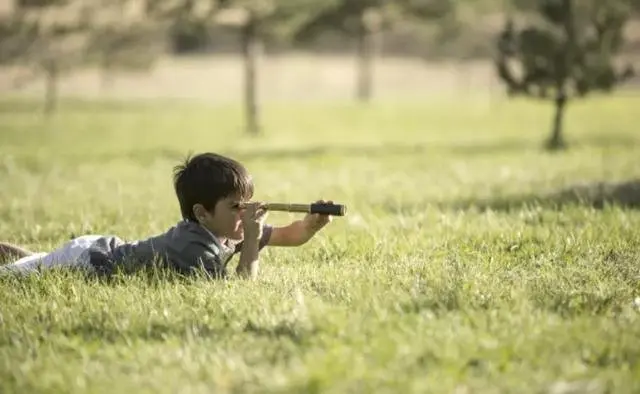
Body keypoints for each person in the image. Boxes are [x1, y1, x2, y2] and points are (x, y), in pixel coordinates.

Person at [0, 152, 333, 280]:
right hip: (91, 263)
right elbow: (242, 286)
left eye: (246, 204)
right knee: (16, 277)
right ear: (202, 214)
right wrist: (249, 244)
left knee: (36, 262)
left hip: (98, 248)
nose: (245, 212)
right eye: (235, 206)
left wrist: (311, 226)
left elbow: (291, 236)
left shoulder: (231, 227)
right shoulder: (196, 248)